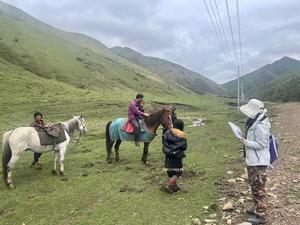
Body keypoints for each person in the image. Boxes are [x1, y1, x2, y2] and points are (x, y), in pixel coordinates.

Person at [239, 99, 271, 224]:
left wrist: (245, 142)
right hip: (253, 160)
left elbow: (262, 144)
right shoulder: (255, 120)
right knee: (254, 185)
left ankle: (261, 216)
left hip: (258, 161)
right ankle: (257, 209)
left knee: (259, 187)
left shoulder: (261, 125)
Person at [162, 119, 187, 194]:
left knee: (170, 172)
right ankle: (169, 185)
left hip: (167, 156)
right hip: (176, 157)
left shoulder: (167, 133)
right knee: (178, 172)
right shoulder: (181, 135)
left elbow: (164, 144)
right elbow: (184, 147)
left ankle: (174, 186)